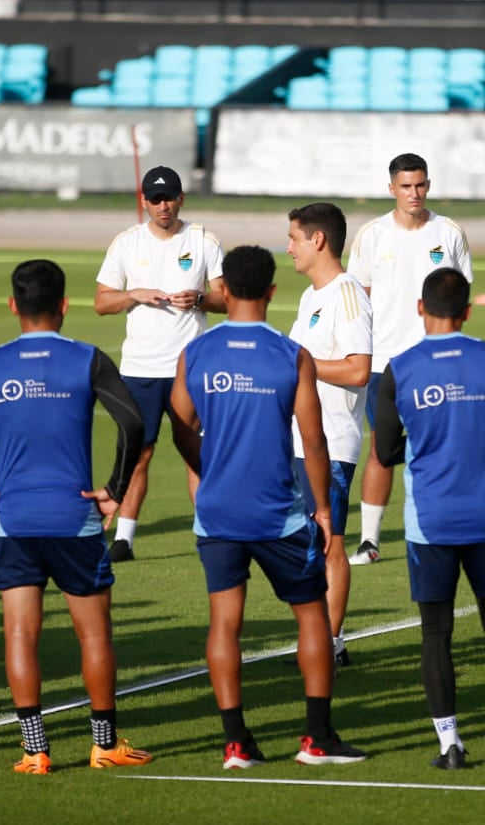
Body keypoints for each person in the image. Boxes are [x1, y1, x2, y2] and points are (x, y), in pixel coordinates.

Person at [0, 259, 152, 775]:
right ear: (64, 306)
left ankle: (35, 749)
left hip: (13, 521)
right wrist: (115, 490)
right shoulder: (89, 359)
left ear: (13, 306)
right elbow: (132, 421)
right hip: (74, 519)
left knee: (19, 635)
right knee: (93, 635)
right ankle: (103, 744)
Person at [167, 245, 367, 769]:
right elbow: (314, 438)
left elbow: (179, 422)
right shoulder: (290, 354)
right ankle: (317, 739)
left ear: (224, 291)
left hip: (217, 512)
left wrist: (207, 464)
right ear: (273, 292)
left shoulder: (197, 352)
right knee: (312, 616)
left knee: (224, 623)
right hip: (279, 512)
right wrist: (323, 509)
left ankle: (236, 743)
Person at [372, 268, 485, 769]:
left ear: (420, 309)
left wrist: (428, 440)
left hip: (430, 523)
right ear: (468, 311)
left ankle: (450, 746)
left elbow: (384, 450)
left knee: (435, 634)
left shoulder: (399, 370)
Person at [346, 153, 473, 566]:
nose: (413, 193)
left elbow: (460, 297)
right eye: (405, 186)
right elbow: (357, 300)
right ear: (391, 189)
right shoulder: (371, 235)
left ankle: (440, 530)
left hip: (435, 362)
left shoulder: (449, 232)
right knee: (383, 451)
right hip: (384, 363)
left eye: (419, 185)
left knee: (437, 450)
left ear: (428, 186)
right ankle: (368, 541)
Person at [94, 165, 225, 562]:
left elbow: (226, 299)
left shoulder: (203, 239)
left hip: (189, 366)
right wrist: (134, 294)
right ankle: (124, 539)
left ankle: (209, 530)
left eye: (169, 198)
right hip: (140, 368)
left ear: (181, 198)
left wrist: (199, 299)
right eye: (155, 198)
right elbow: (103, 302)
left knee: (195, 450)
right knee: (139, 452)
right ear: (144, 201)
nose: (162, 205)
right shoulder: (127, 243)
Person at [285, 203, 372, 669]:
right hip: (301, 440)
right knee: (307, 545)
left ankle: (331, 644)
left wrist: (298, 366)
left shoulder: (348, 294)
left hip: (333, 442)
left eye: (294, 237)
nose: (289, 247)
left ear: (318, 240)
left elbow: (359, 370)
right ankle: (315, 638)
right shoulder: (311, 296)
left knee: (330, 541)